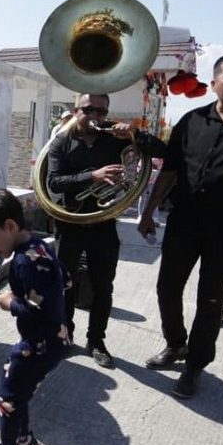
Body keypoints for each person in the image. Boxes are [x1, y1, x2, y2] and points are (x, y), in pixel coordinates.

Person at [140, 51, 223, 399]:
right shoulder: (191, 121)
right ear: (214, 82)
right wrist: (148, 212)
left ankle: (195, 366)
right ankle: (176, 344)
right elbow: (170, 171)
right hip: (184, 221)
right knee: (167, 288)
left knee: (211, 298)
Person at [47, 93, 165, 369]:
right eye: (88, 109)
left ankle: (96, 341)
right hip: (70, 222)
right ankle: (66, 335)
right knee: (65, 283)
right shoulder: (61, 142)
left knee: (103, 286)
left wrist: (136, 134)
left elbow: (163, 151)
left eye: (101, 111)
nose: (95, 116)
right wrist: (93, 176)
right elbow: (53, 182)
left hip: (103, 224)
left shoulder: (115, 137)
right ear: (76, 110)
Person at [0, 189, 69, 445]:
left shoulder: (24, 261)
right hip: (54, 339)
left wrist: (9, 302)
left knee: (7, 396)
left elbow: (39, 310)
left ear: (11, 226)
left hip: (38, 343)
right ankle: (24, 439)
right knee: (20, 391)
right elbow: (64, 279)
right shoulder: (40, 245)